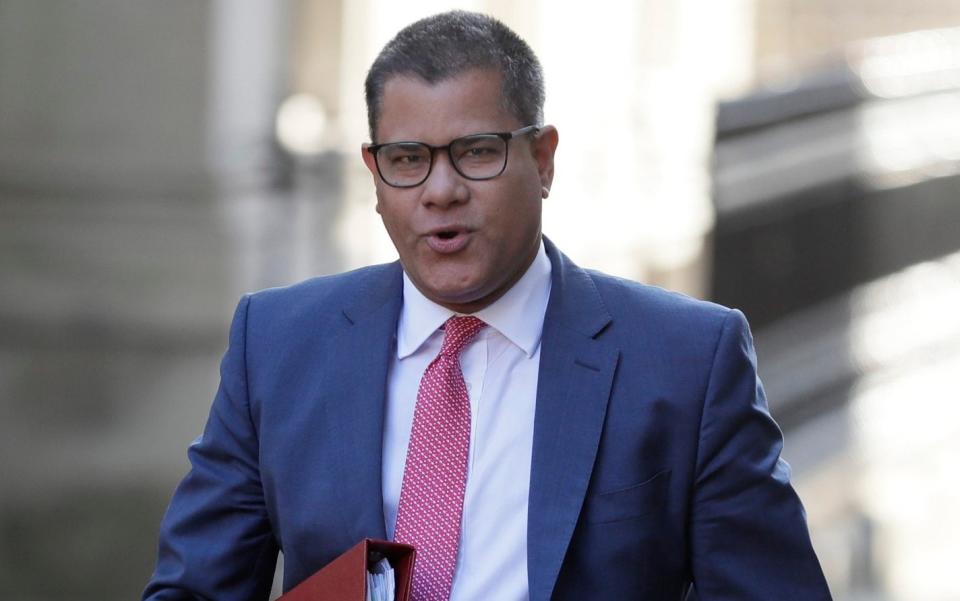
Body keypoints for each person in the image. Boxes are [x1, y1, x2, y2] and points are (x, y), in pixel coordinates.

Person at [143, 10, 832, 601]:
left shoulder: (688, 360)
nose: (440, 191)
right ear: (375, 173)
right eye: (408, 159)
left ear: (544, 159)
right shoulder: (277, 343)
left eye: (475, 152)